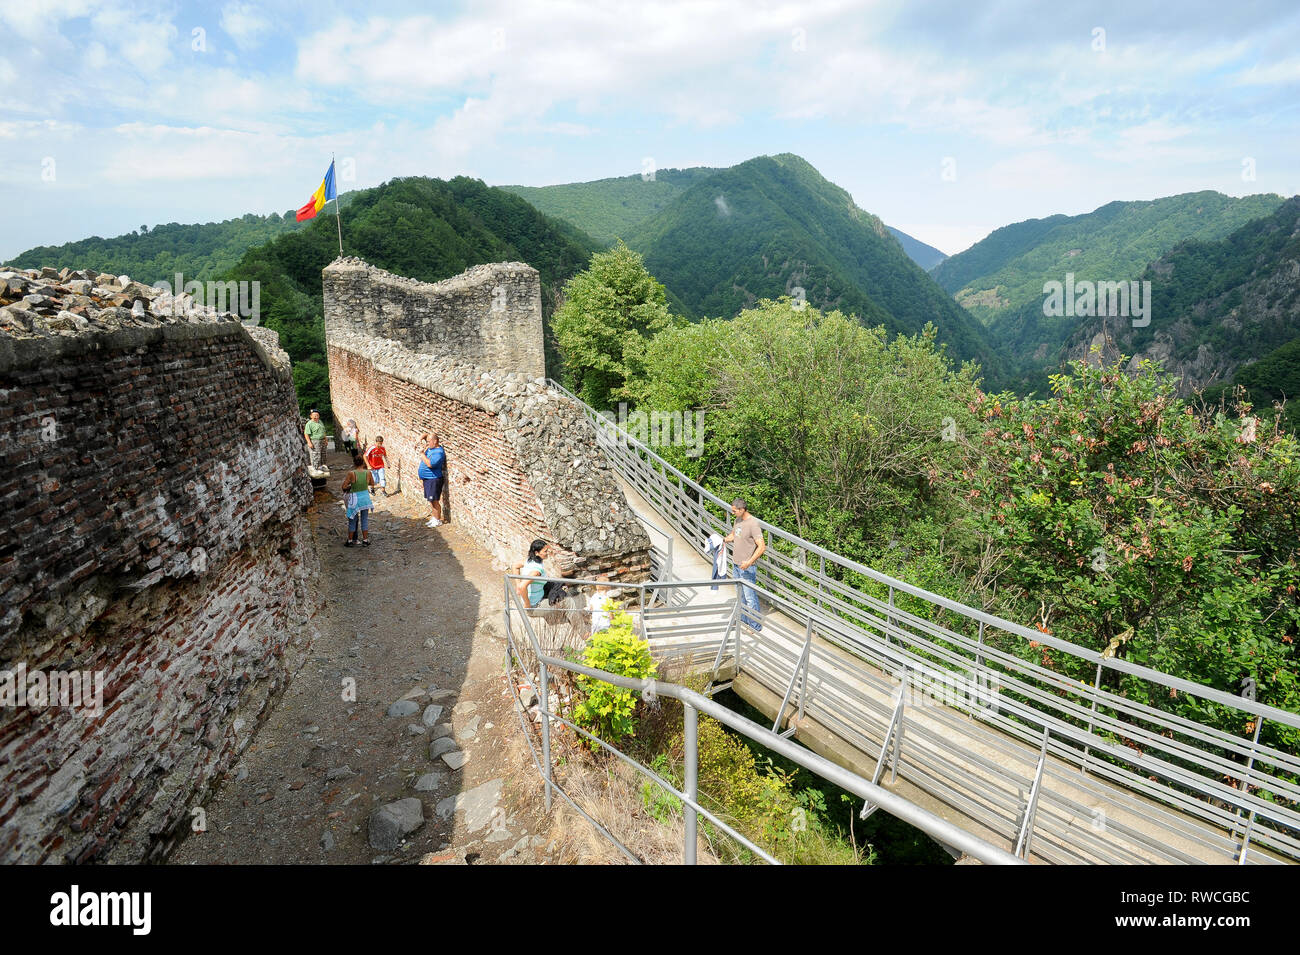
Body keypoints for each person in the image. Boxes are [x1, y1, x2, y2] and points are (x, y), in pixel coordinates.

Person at [724, 497, 766, 631]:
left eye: (735, 511)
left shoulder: (753, 524)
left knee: (750, 597)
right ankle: (744, 620)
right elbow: (733, 536)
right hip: (736, 565)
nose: (733, 513)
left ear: (742, 510)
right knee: (740, 595)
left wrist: (749, 562)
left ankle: (755, 625)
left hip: (747, 567)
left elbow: (762, 547)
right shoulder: (737, 520)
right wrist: (722, 540)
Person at [341, 453, 374, 546]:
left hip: (355, 498)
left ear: (354, 463)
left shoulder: (352, 473)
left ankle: (350, 541)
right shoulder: (368, 473)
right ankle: (365, 540)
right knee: (364, 519)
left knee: (353, 519)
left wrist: (351, 486)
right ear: (363, 463)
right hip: (365, 498)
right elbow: (372, 483)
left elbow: (344, 486)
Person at [418, 432, 447, 527]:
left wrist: (422, 454)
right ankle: (434, 518)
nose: (427, 443)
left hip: (433, 479)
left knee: (434, 500)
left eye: (429, 442)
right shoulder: (431, 448)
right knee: (431, 500)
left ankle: (438, 520)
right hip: (428, 479)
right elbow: (426, 434)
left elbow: (430, 464)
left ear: (435, 442)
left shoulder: (438, 452)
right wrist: (419, 440)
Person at [511, 539, 550, 609]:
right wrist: (527, 604)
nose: (547, 553)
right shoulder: (536, 571)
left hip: (530, 597)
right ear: (537, 553)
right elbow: (522, 586)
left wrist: (517, 585)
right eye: (545, 551)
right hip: (535, 603)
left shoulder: (529, 561)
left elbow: (515, 565)